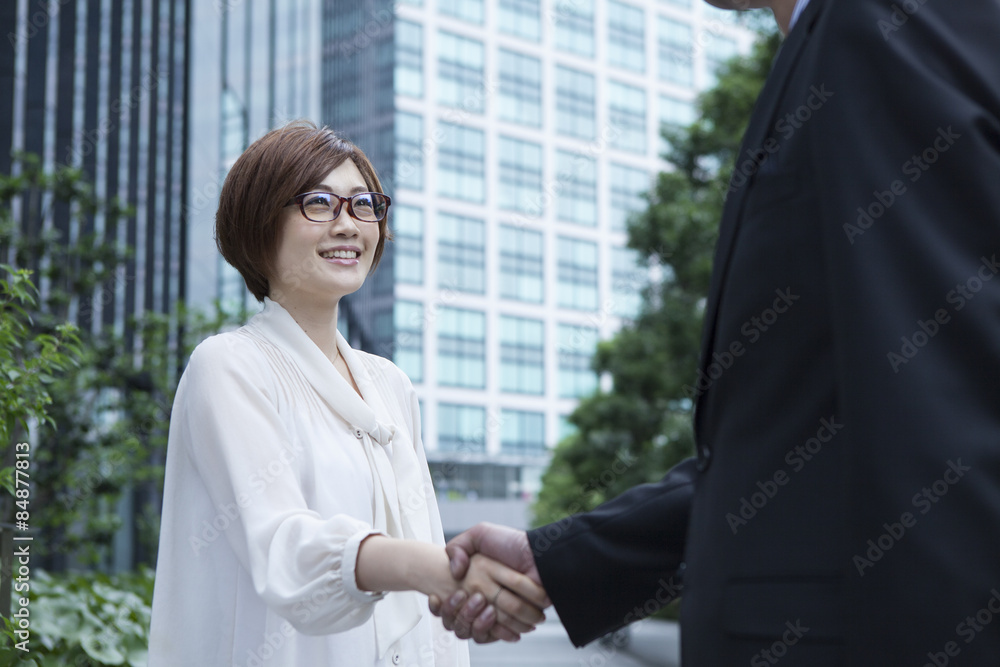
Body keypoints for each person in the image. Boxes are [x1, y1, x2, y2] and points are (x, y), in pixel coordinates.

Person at [432, 0, 1000, 664]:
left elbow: (951, 404)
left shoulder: (878, 24)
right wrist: (559, 557)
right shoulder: (828, 45)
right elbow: (800, 446)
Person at [148, 121, 547, 667]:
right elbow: (284, 548)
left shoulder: (390, 385)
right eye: (319, 203)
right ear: (259, 222)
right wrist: (445, 569)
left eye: (364, 205)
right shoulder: (230, 366)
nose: (349, 224)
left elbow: (425, 535)